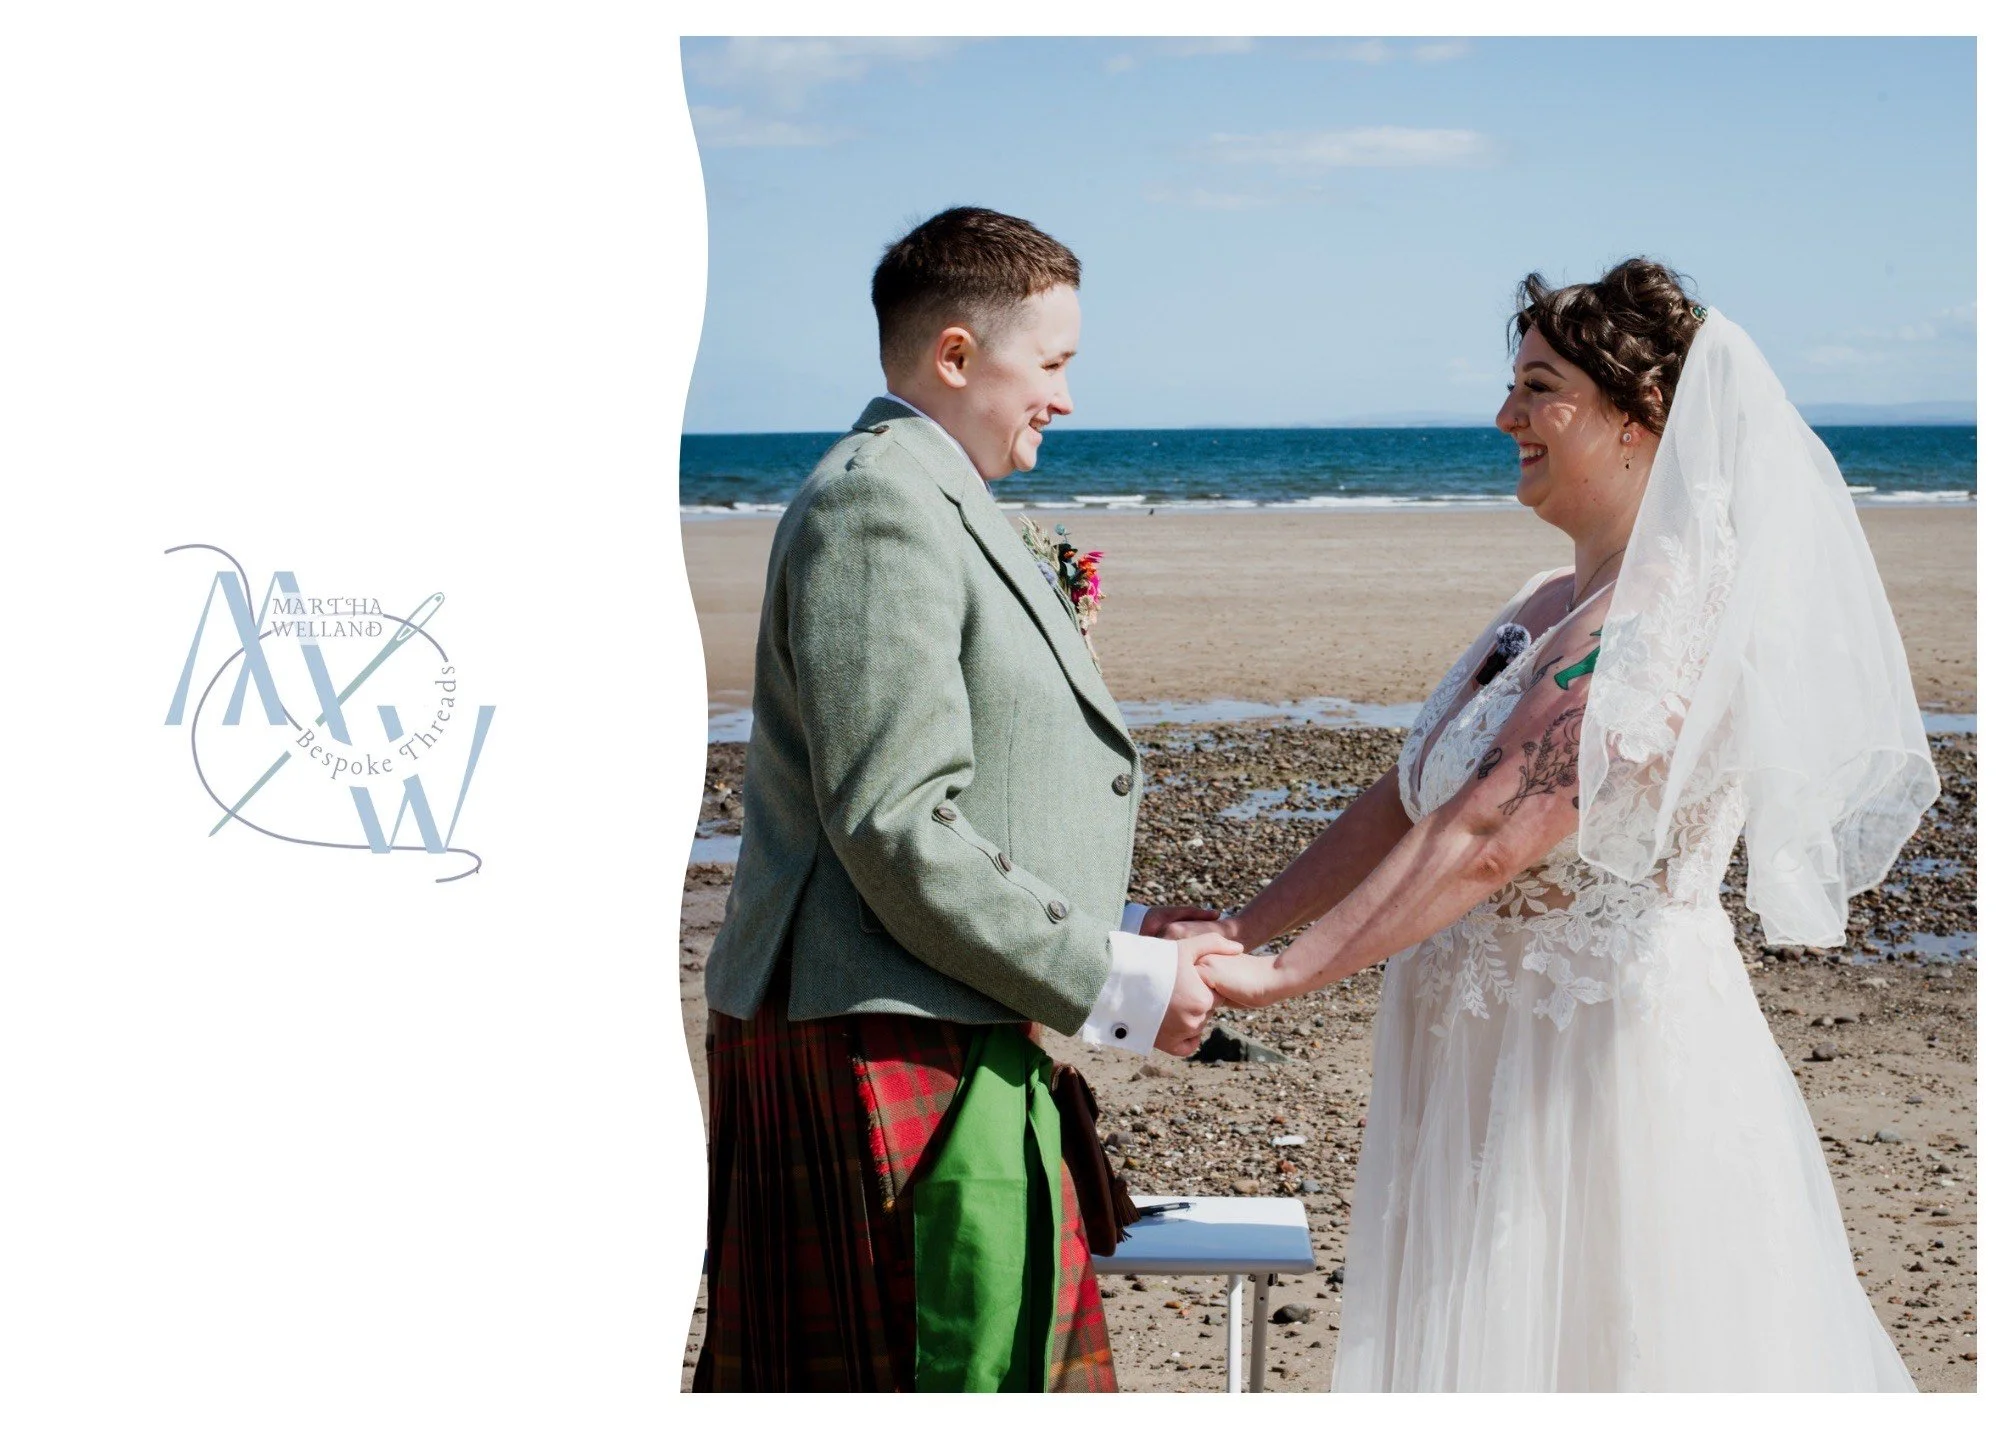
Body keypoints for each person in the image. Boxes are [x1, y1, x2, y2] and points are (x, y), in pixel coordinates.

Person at [1180, 259, 1938, 1390]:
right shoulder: (1544, 602)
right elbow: (1407, 794)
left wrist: (1289, 976)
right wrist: (1245, 926)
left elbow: (1493, 830)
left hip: (1590, 1055)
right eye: (1512, 385)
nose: (1505, 416)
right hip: (1474, 1036)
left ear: (1641, 419)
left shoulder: (1664, 617)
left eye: (1540, 387)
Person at [693, 206, 1240, 1393]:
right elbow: (895, 819)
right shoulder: (877, 502)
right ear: (954, 355)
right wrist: (1115, 980)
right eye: (1052, 363)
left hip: (938, 1023)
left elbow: (977, 800)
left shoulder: (929, 494)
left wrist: (1127, 924)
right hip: (882, 1036)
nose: (1069, 396)